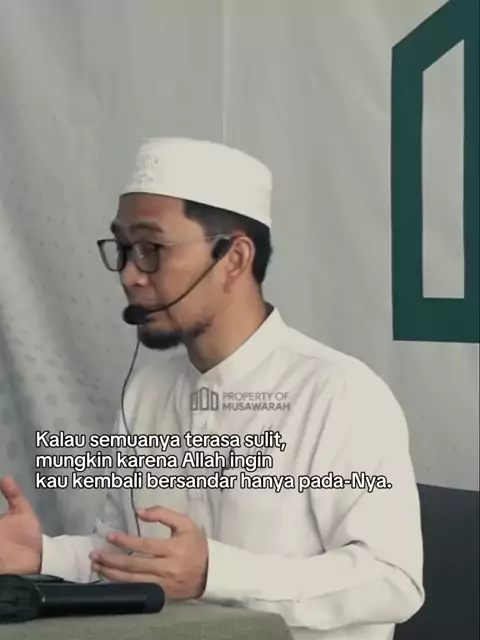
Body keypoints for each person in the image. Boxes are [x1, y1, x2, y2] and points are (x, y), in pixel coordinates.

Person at [0, 137, 424, 639]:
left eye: (152, 249)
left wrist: (215, 575)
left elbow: (392, 581)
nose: (131, 275)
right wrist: (42, 555)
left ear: (235, 258)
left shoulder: (338, 394)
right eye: (125, 249)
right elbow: (130, 556)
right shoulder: (147, 392)